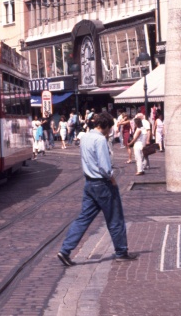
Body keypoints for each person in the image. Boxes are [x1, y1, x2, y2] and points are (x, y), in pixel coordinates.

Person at [57, 111, 137, 266]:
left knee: (83, 218)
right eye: (109, 128)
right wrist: (112, 179)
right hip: (103, 184)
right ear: (105, 125)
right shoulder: (100, 140)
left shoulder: (85, 136)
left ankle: (65, 250)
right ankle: (121, 251)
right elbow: (105, 167)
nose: (110, 131)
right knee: (115, 218)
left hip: (89, 183)